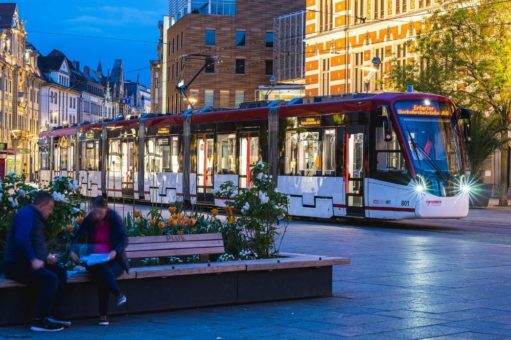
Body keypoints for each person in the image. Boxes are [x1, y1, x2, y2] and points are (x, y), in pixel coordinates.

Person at [2, 191, 70, 332]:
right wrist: (33, 259)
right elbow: (22, 239)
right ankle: (40, 320)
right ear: (42, 205)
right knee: (50, 279)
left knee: (60, 272)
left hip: (29, 262)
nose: (50, 213)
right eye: (50, 208)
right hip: (16, 264)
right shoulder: (26, 214)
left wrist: (46, 258)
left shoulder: (35, 217)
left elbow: (34, 243)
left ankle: (54, 314)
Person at [70, 196, 128, 326]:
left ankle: (103, 315)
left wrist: (115, 251)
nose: (97, 215)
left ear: (106, 209)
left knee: (103, 274)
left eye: (100, 212)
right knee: (101, 270)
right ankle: (117, 294)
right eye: (95, 212)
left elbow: (124, 239)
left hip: (114, 260)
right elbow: (77, 236)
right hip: (94, 260)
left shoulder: (114, 219)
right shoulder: (90, 219)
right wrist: (73, 250)